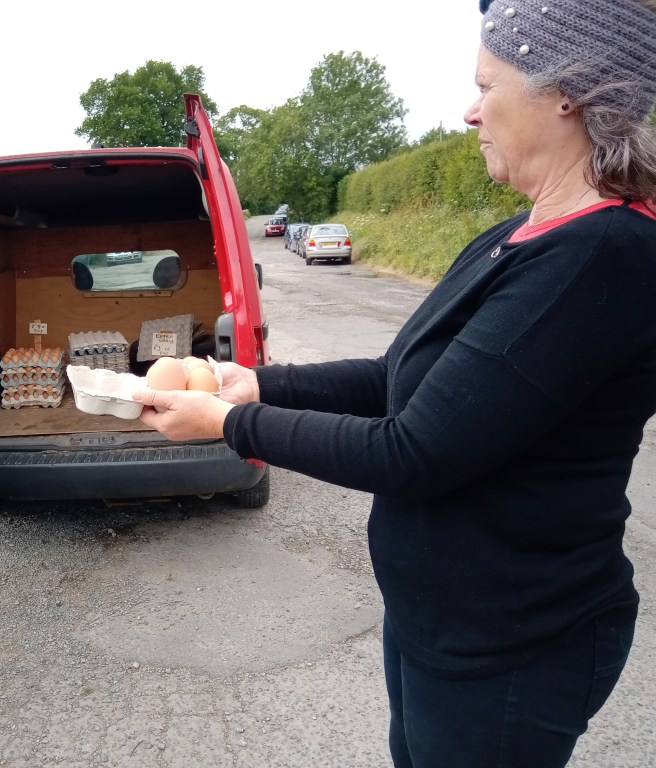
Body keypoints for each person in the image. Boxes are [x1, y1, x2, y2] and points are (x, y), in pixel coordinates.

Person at [133, 1, 656, 765]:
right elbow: (396, 377)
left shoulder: (601, 256)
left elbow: (414, 453)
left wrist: (225, 424)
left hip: (511, 646)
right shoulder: (520, 234)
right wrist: (256, 386)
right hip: (440, 624)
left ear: (566, 95)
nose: (470, 112)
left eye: (487, 86)